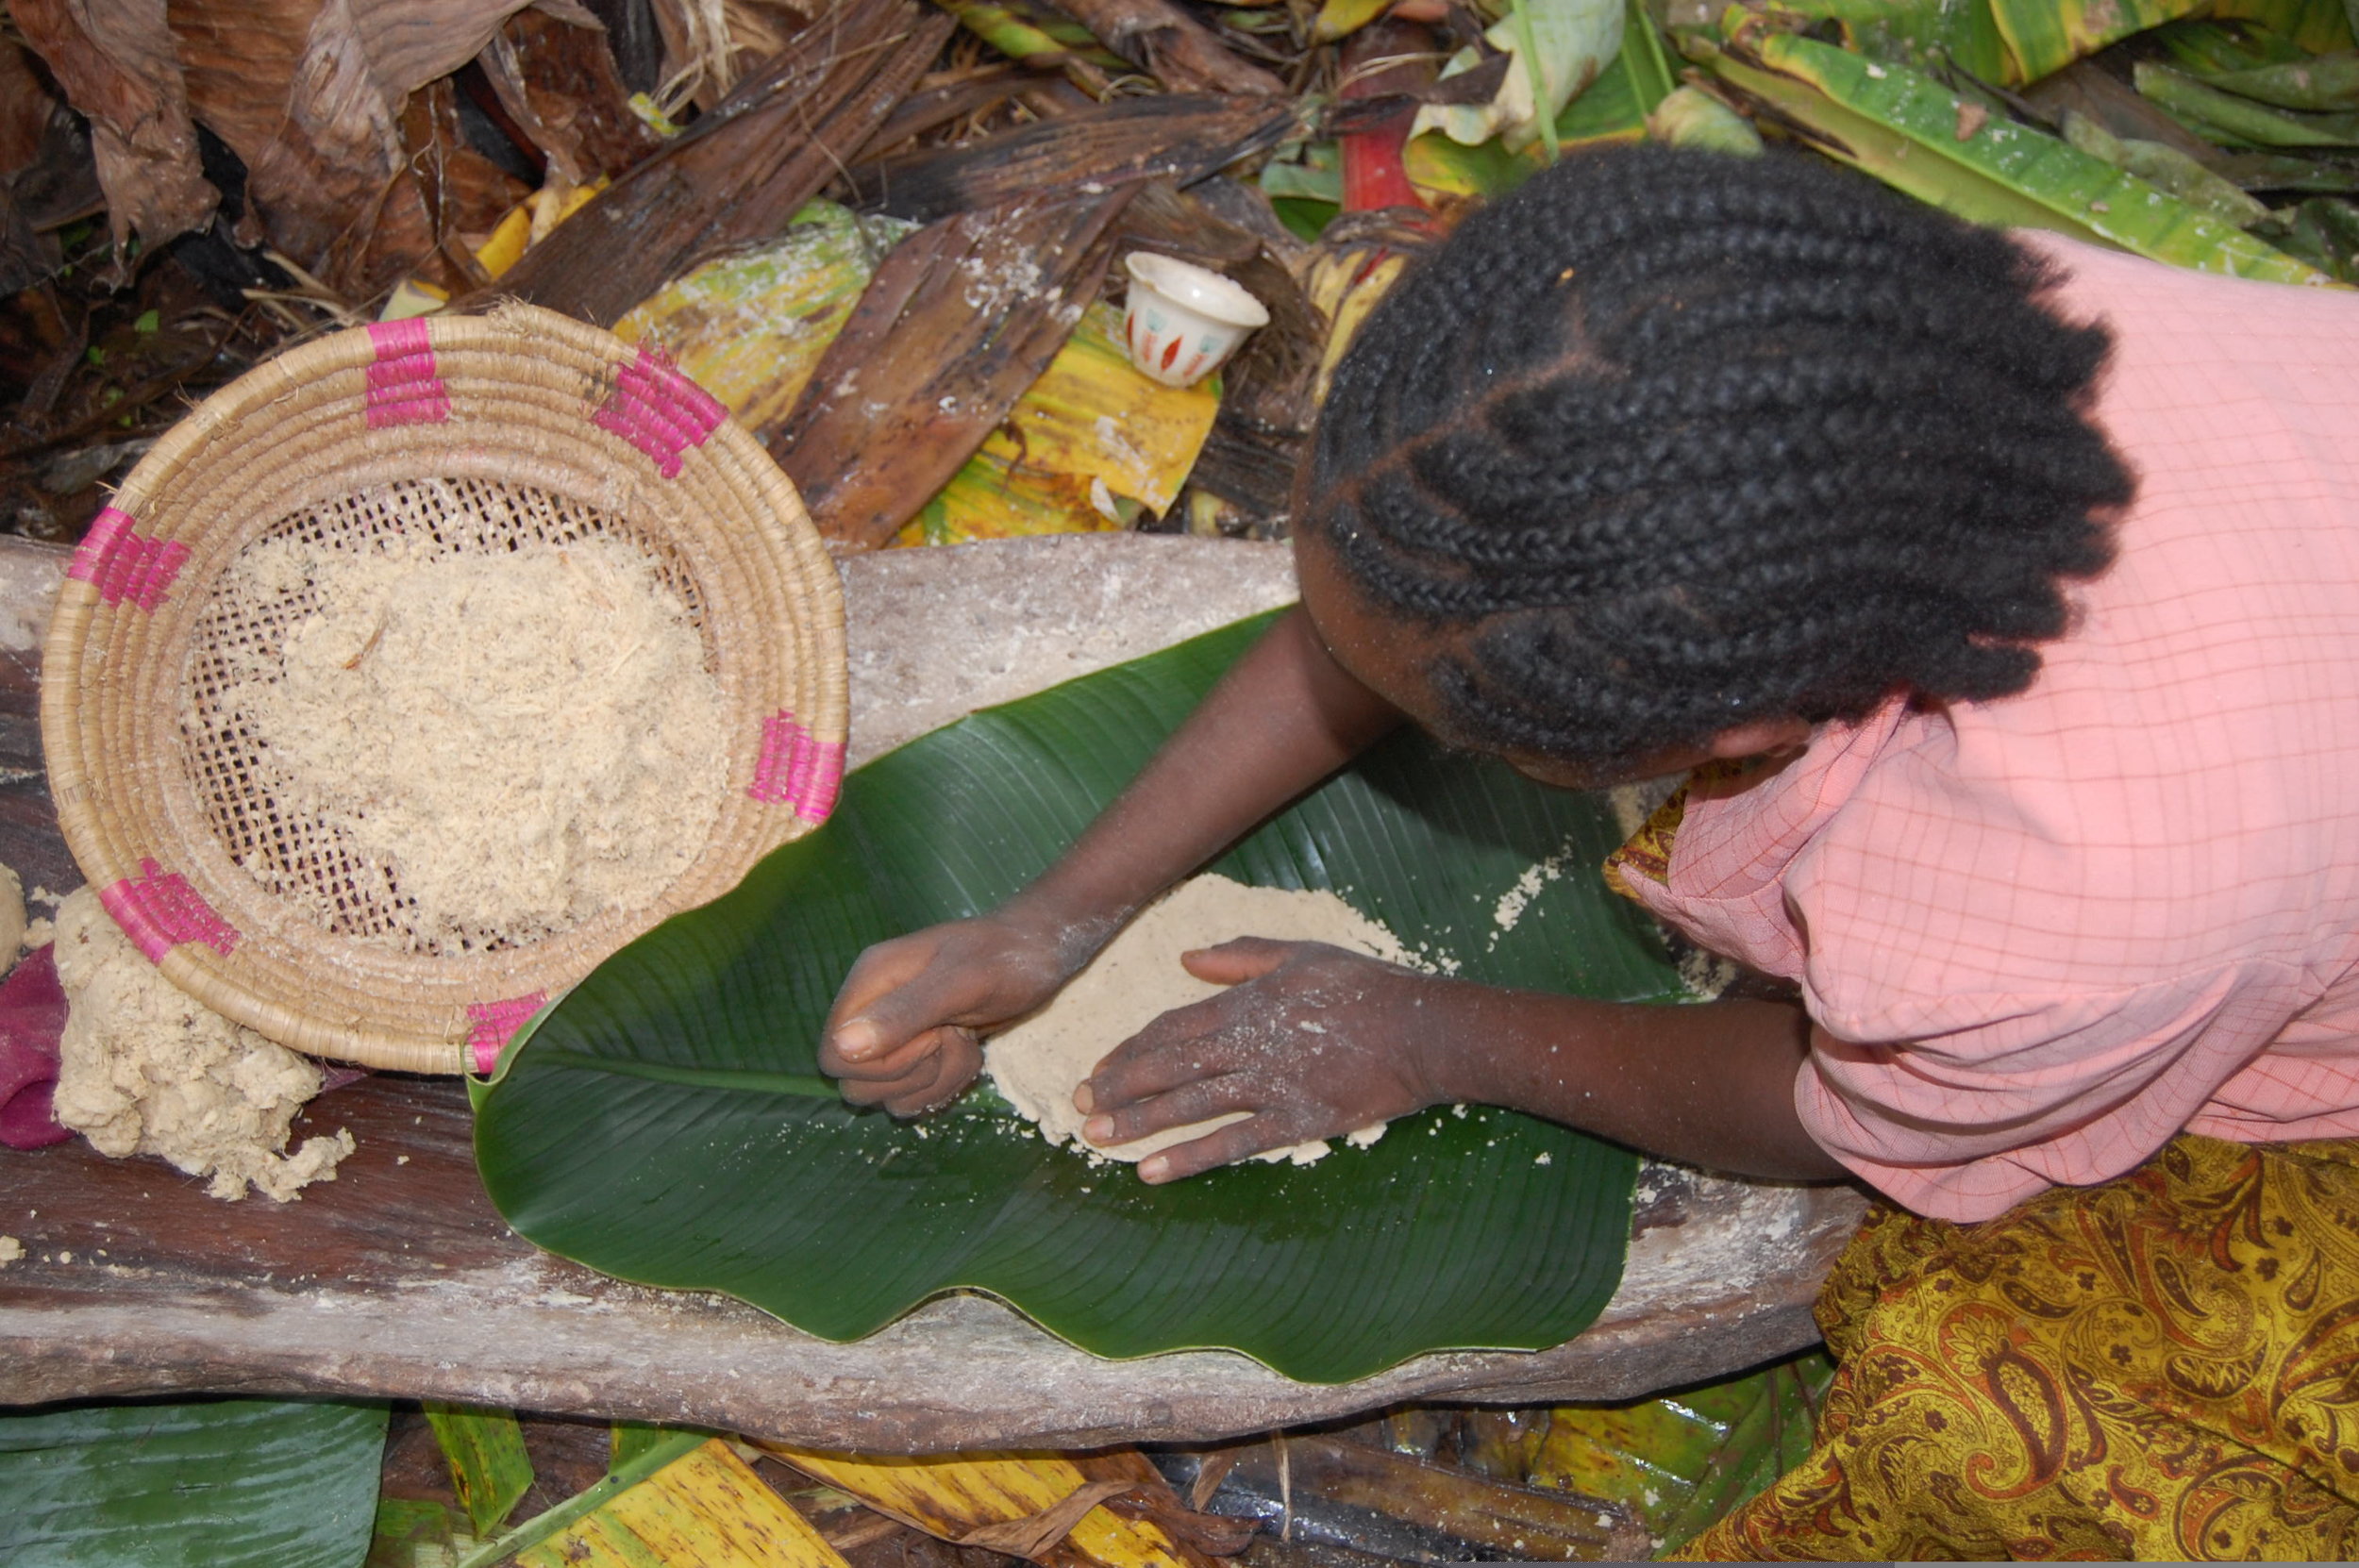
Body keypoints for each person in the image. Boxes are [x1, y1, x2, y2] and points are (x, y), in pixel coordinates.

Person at [821, 145, 2359, 1558]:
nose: (1397, 701)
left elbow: (1833, 1108)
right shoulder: (1900, 357)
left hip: (2250, 909)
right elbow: (1395, 599)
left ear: (1743, 728)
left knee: (1994, 1412)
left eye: (1473, 728)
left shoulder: (2048, 910)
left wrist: (1429, 1030)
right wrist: (1061, 914)